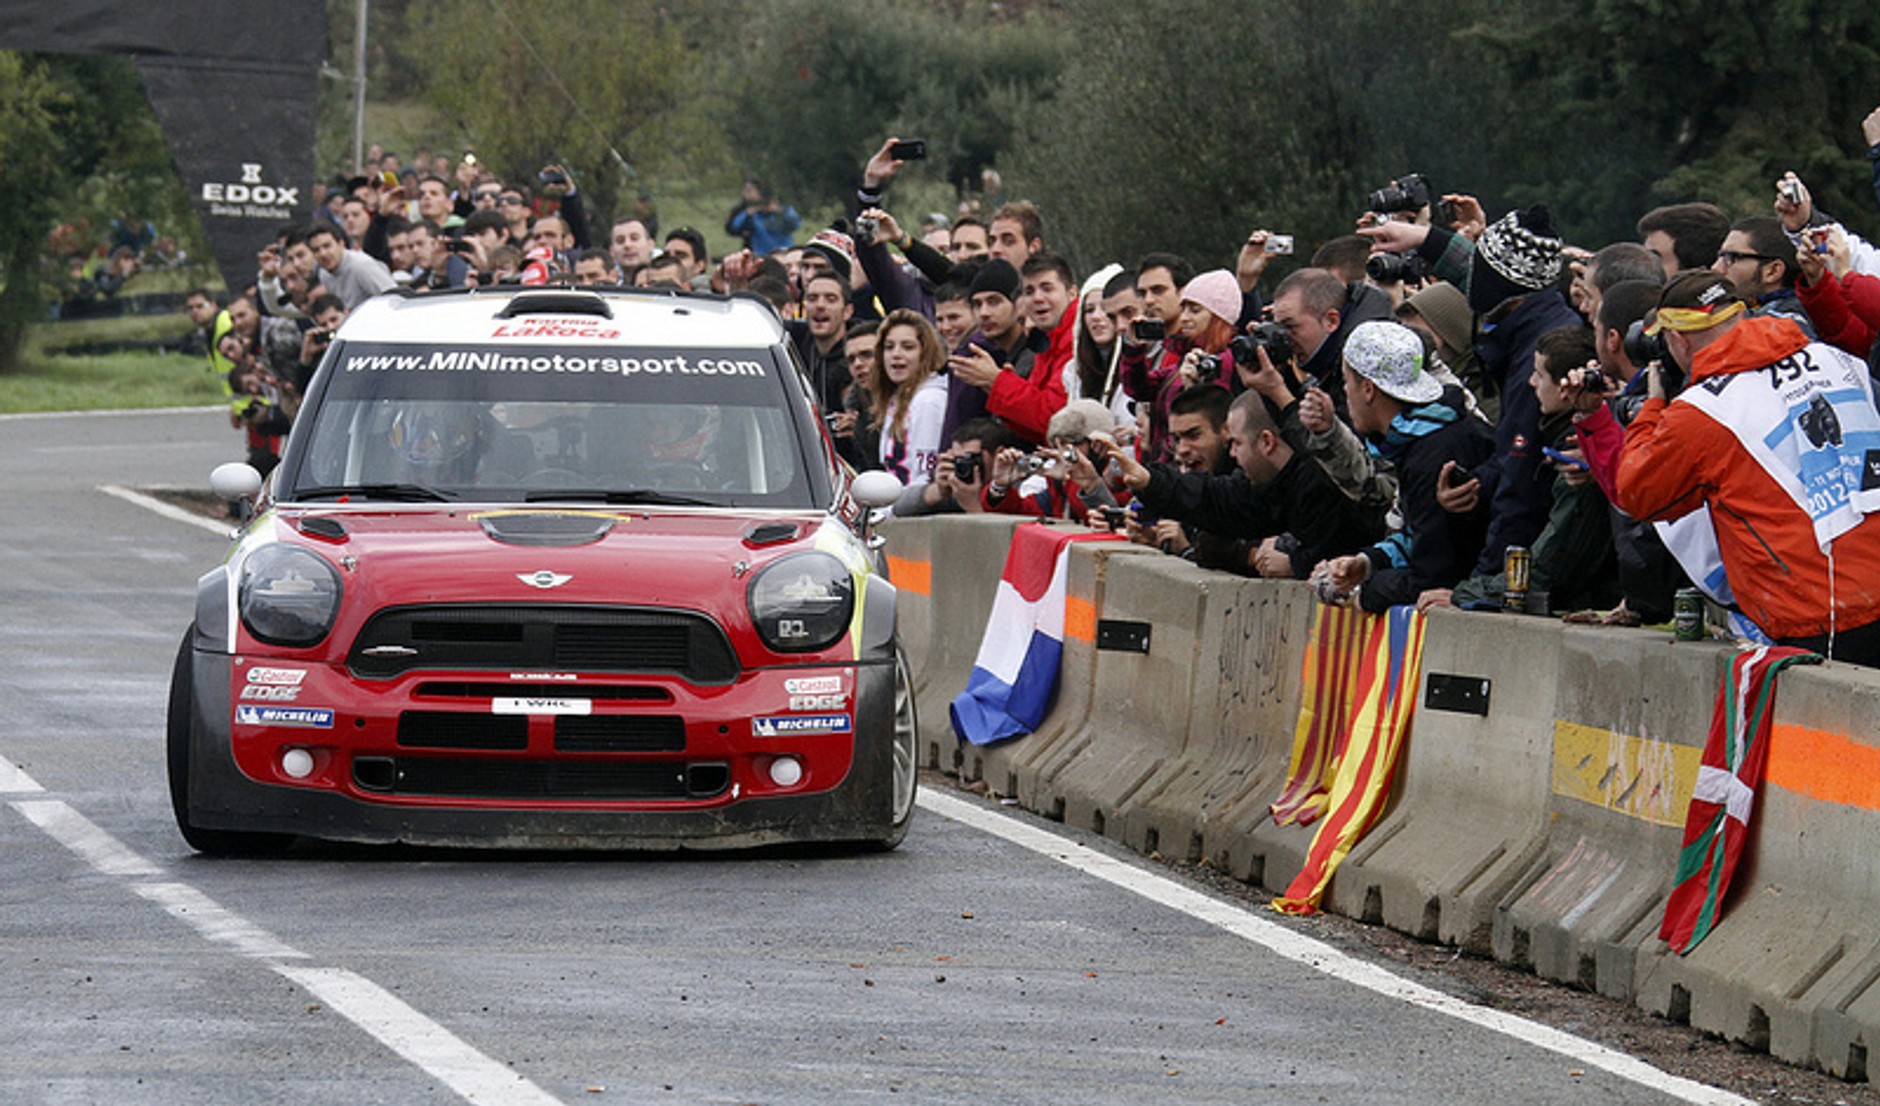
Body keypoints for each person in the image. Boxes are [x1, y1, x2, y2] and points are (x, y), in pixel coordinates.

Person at [1616, 271, 1880, 664]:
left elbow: (1637, 494)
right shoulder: (1839, 359)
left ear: (1679, 339)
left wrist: (1653, 408)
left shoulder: (1703, 411)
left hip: (1817, 615)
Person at [1107, 389, 1387, 578]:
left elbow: (1338, 545)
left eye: (1237, 443)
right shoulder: (1266, 482)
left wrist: (1295, 562)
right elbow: (1217, 499)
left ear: (1266, 441)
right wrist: (1149, 481)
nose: (1232, 454)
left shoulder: (1319, 483)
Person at [1316, 321, 1496, 611]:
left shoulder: (1433, 455)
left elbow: (1430, 578)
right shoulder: (1422, 439)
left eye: (1346, 382)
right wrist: (1367, 562)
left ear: (1368, 389)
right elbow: (1417, 537)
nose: (1344, 393)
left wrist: (1363, 594)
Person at [871, 310, 949, 493]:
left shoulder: (929, 401)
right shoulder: (896, 399)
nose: (896, 354)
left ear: (925, 353)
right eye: (889, 347)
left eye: (908, 347)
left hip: (911, 515)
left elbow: (924, 477)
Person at [726, 178, 800, 256]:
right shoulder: (753, 215)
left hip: (784, 253)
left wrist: (779, 211)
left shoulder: (785, 210)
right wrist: (747, 214)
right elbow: (734, 227)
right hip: (761, 254)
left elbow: (796, 224)